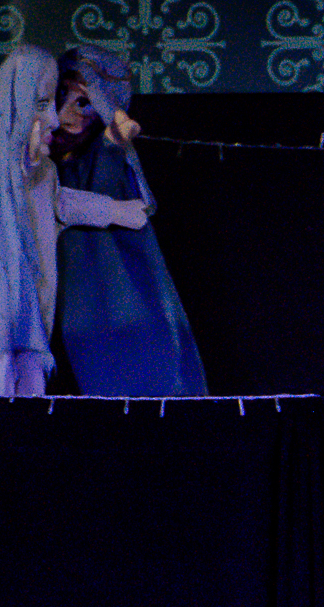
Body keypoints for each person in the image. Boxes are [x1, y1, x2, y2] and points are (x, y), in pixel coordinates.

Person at [0, 45, 150, 396]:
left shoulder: (45, 171)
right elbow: (11, 183)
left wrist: (114, 211)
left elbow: (58, 201)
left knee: (28, 385)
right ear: (16, 105)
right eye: (43, 104)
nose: (56, 120)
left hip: (30, 313)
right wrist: (26, 162)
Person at [47, 45, 208, 396]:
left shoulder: (97, 165)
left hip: (118, 314)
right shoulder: (46, 169)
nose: (66, 114)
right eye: (60, 96)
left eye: (84, 102)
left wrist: (114, 139)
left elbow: (102, 176)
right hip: (74, 318)